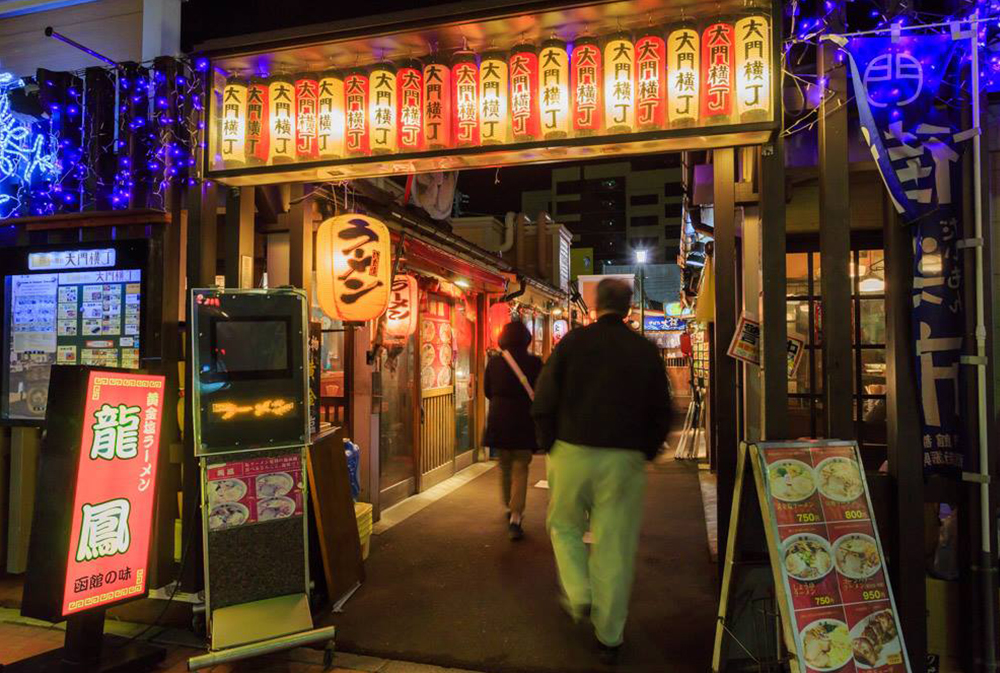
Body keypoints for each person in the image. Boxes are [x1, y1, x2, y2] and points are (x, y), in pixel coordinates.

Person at [532, 278, 671, 664]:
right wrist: (645, 450)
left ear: (594, 305)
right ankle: (609, 636)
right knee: (615, 544)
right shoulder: (643, 349)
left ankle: (579, 593)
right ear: (628, 308)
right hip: (623, 457)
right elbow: (662, 408)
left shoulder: (573, 343)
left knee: (563, 524)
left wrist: (549, 442)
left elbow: (545, 396)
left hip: (572, 450)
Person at [483, 320, 543, 540]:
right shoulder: (535, 363)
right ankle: (516, 516)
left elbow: (487, 390)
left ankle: (509, 506)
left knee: (504, 465)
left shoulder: (495, 363)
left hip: (500, 420)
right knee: (521, 467)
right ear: (527, 339)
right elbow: (541, 391)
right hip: (524, 421)